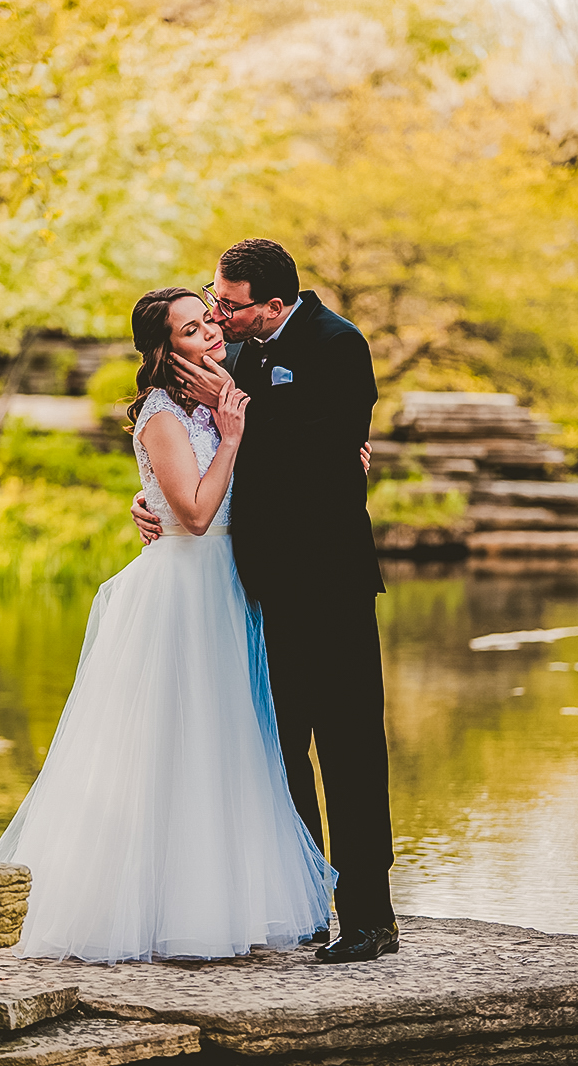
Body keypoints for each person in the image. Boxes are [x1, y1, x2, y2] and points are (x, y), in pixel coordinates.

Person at [0, 287, 335, 964]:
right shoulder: (161, 413)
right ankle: (157, 909)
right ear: (164, 349)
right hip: (183, 588)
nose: (210, 332)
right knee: (174, 747)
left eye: (208, 319)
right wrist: (227, 435)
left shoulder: (226, 380)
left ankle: (229, 901)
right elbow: (199, 513)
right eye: (190, 328)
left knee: (227, 745)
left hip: (228, 585)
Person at [132, 240, 398, 963]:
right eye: (212, 302)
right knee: (275, 752)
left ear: (273, 305)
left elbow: (329, 450)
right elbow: (203, 445)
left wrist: (233, 414)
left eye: (228, 303)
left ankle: (369, 916)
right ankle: (305, 902)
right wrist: (150, 495)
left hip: (330, 582)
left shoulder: (337, 345)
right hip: (253, 588)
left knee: (347, 748)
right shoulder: (238, 352)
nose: (216, 313)